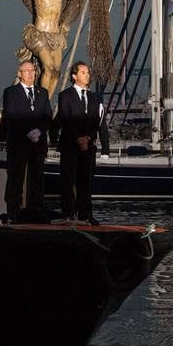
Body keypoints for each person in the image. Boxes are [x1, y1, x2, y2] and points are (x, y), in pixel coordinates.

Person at [0, 58, 52, 223]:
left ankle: (37, 212)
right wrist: (29, 132)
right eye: (27, 71)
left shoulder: (43, 93)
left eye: (33, 71)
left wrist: (39, 131)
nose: (31, 73)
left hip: (38, 144)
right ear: (19, 74)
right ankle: (13, 213)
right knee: (16, 179)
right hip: (19, 143)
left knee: (37, 180)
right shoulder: (11, 92)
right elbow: (12, 116)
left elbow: (47, 115)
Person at [53, 60, 103, 224]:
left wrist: (88, 138)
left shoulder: (94, 98)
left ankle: (86, 214)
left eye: (88, 72)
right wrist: (78, 138)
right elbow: (66, 118)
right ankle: (68, 213)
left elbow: (96, 120)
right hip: (70, 145)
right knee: (68, 180)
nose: (87, 75)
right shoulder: (65, 96)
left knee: (86, 181)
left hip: (88, 146)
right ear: (74, 76)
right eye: (83, 72)